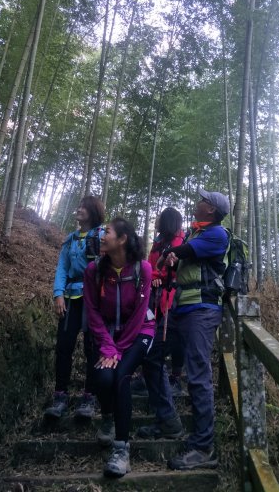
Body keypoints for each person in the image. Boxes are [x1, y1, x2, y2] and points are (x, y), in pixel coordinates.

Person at [143, 188, 230, 470]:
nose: (198, 201)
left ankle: (204, 448)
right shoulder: (195, 233)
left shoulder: (217, 234)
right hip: (179, 309)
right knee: (151, 356)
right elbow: (178, 257)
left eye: (203, 200)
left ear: (211, 210)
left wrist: (169, 253)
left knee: (197, 373)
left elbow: (185, 252)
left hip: (202, 311)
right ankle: (168, 420)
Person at [83, 217, 155, 478]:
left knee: (121, 376)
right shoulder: (94, 270)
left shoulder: (143, 269)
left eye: (108, 232)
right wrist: (107, 346)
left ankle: (122, 450)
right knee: (102, 377)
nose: (102, 235)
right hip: (107, 335)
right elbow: (91, 311)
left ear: (122, 239)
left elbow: (138, 315)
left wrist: (118, 350)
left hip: (139, 332)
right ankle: (107, 417)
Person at [44, 196, 105, 420]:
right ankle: (60, 395)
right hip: (70, 297)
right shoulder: (70, 239)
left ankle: (89, 396)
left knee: (92, 347)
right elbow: (62, 268)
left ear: (93, 211)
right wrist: (58, 294)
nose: (78, 210)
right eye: (78, 206)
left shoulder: (101, 235)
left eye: (84, 207)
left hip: (93, 298)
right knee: (64, 345)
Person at [131, 207, 185, 397]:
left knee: (173, 336)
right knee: (150, 331)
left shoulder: (179, 241)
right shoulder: (158, 242)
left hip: (171, 295)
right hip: (154, 294)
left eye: (160, 218)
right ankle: (147, 375)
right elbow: (150, 266)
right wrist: (152, 276)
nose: (156, 221)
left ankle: (176, 378)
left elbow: (171, 270)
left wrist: (157, 276)